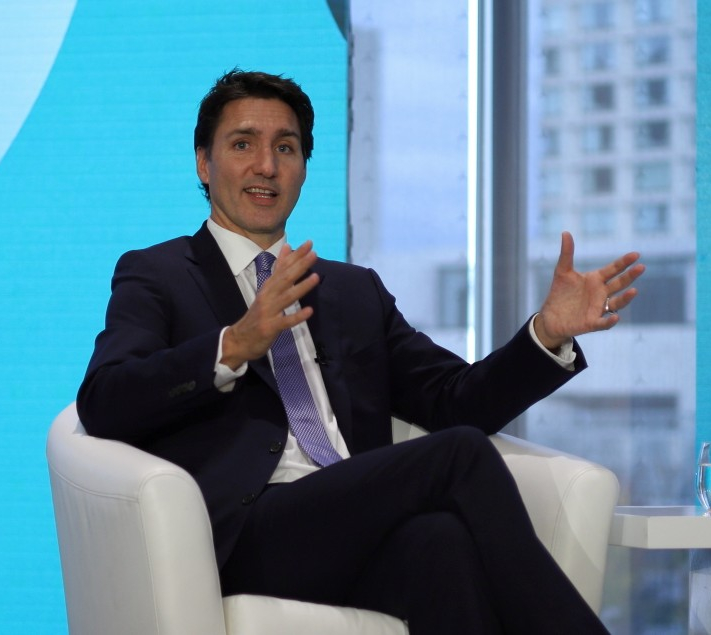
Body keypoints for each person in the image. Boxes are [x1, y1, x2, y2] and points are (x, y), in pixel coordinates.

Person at [77, 69, 644, 634]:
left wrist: (545, 333)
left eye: (286, 148)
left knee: (441, 544)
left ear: (302, 169)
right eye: (243, 144)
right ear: (204, 162)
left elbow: (455, 401)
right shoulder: (157, 274)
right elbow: (105, 399)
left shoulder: (351, 290)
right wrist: (232, 346)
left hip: (352, 518)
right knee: (460, 456)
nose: (266, 166)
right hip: (248, 532)